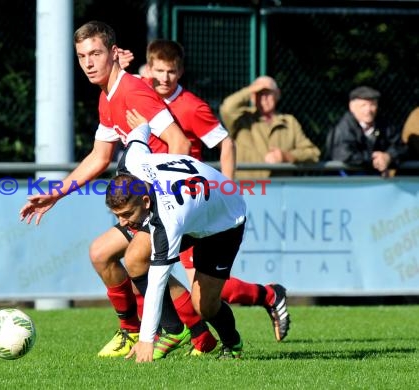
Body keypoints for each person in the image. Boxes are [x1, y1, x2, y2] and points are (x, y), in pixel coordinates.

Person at [19, 21, 205, 360]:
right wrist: (56, 194)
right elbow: (99, 156)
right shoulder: (108, 96)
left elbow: (179, 141)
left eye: (95, 53)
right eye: (81, 56)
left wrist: (166, 193)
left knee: (138, 261)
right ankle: (141, 332)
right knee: (102, 254)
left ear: (113, 53)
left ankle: (187, 333)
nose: (88, 62)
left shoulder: (133, 91)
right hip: (146, 202)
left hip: (162, 200)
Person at [119, 40, 291, 345]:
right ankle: (162, 335)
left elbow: (226, 143)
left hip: (186, 205)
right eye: (158, 71)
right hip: (150, 203)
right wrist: (119, 67)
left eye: (171, 72)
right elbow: (121, 88)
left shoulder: (191, 106)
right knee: (127, 258)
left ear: (180, 72)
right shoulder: (144, 93)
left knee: (205, 292)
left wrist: (226, 187)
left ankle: (262, 298)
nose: (164, 78)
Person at [107, 108, 247, 362]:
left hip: (224, 222)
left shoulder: (169, 219)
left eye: (127, 214)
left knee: (204, 306)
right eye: (117, 215)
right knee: (135, 258)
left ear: (146, 201)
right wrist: (143, 124)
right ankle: (173, 330)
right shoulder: (130, 163)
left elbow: (159, 279)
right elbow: (139, 137)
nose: (123, 222)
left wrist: (146, 340)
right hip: (198, 210)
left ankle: (232, 343)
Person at [219, 76, 321, 178]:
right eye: (259, 94)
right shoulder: (242, 119)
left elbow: (313, 153)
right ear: (253, 97)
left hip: (279, 189)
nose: (264, 98)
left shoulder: (290, 122)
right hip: (248, 188)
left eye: (268, 93)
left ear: (277, 95)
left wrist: (286, 156)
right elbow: (227, 108)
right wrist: (250, 89)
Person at [325, 86, 406, 176]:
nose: (368, 110)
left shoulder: (382, 125)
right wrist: (374, 159)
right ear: (352, 107)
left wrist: (388, 156)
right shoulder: (343, 128)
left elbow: (400, 146)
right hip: (347, 181)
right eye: (363, 105)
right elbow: (345, 154)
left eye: (372, 105)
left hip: (377, 180)